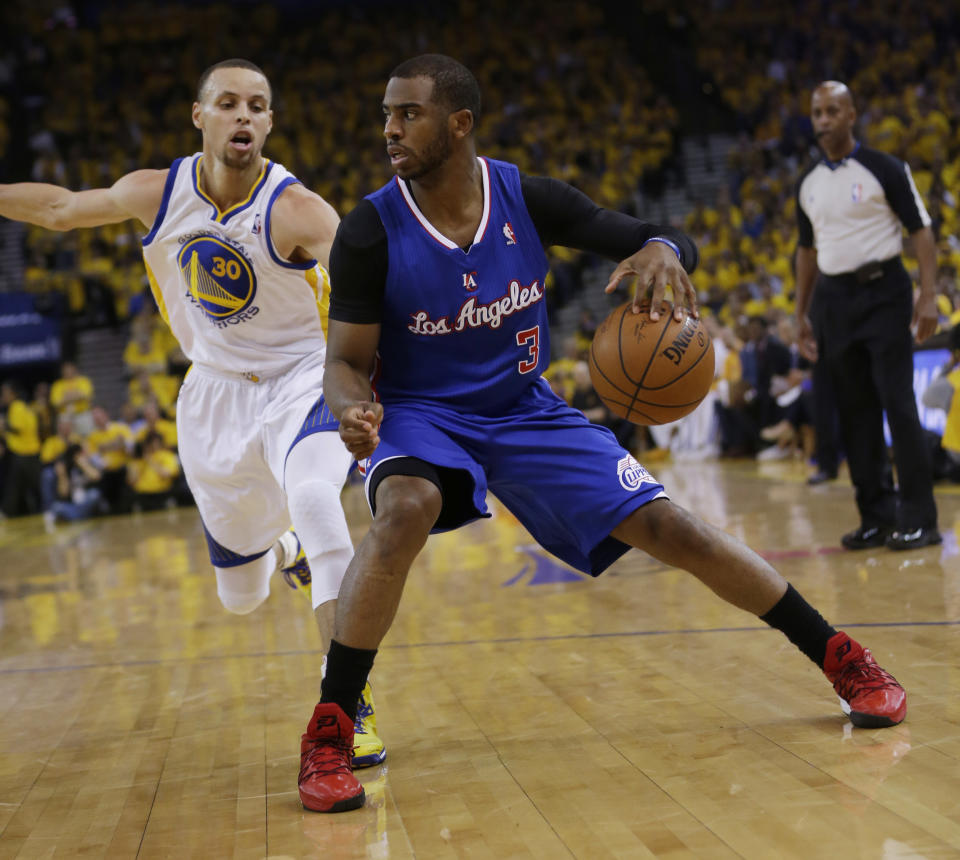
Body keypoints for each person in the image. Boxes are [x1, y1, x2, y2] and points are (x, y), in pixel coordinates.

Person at [306, 54, 908, 814]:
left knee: (673, 527)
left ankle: (840, 656)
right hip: (423, 413)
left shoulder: (525, 197)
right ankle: (331, 725)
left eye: (409, 113)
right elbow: (345, 362)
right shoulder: (369, 229)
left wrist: (664, 249)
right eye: (386, 114)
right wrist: (353, 408)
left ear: (459, 123)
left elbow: (658, 235)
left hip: (525, 408)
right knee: (405, 509)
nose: (390, 128)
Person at [0, 59, 385, 770]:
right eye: (230, 102)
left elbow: (371, 289)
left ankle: (346, 706)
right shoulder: (156, 192)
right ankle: (281, 551)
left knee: (314, 498)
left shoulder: (300, 209)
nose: (245, 115)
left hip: (303, 380)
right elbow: (56, 209)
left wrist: (371, 376)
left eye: (259, 105)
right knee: (240, 598)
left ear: (269, 123)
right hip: (212, 395)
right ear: (199, 116)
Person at [795, 81, 941, 550]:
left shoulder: (884, 168)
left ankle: (920, 517)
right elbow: (806, 251)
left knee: (897, 403)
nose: (823, 120)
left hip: (884, 292)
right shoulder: (809, 184)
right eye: (817, 112)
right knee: (855, 412)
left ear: (852, 114)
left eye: (832, 110)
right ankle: (876, 516)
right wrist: (800, 312)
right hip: (833, 301)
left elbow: (921, 232)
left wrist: (928, 295)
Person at [1, 381, 42, 516]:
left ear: (13, 394)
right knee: (26, 485)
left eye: (5, 393)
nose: (3, 396)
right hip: (31, 452)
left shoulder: (16, 406)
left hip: (23, 453)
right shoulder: (25, 406)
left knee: (14, 485)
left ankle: (8, 512)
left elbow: (17, 428)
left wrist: (3, 425)